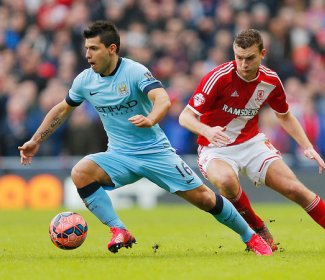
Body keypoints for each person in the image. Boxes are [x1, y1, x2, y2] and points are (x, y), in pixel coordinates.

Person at [18, 21, 272, 256]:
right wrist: (36, 140)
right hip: (119, 155)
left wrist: (151, 119)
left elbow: (162, 99)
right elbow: (63, 108)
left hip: (155, 152)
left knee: (205, 199)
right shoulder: (85, 80)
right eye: (86, 48)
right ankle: (119, 230)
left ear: (112, 49)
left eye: (94, 48)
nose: (87, 55)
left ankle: (250, 237)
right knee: (81, 172)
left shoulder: (135, 72)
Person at [179, 29, 325, 252]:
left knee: (295, 189)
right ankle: (259, 229)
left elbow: (284, 115)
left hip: (251, 144)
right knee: (227, 181)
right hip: (215, 148)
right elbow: (185, 117)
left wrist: (307, 146)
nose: (243, 64)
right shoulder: (218, 77)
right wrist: (207, 131)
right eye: (238, 57)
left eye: (249, 58)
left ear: (262, 54)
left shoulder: (270, 80)